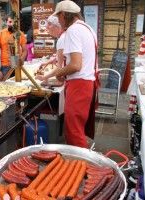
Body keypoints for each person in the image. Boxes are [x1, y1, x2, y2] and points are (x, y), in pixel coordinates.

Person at [52, 0, 98, 148]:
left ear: (64, 14)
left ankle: (80, 166)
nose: (58, 21)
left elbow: (76, 65)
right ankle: (80, 164)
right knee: (78, 128)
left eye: (58, 17)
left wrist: (59, 72)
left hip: (79, 84)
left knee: (73, 131)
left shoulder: (73, 30)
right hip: (87, 83)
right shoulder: (88, 28)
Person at [36, 15, 66, 81]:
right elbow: (63, 56)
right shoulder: (64, 36)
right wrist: (48, 62)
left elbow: (59, 67)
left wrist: (44, 77)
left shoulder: (62, 39)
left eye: (49, 24)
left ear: (57, 26)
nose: (47, 27)